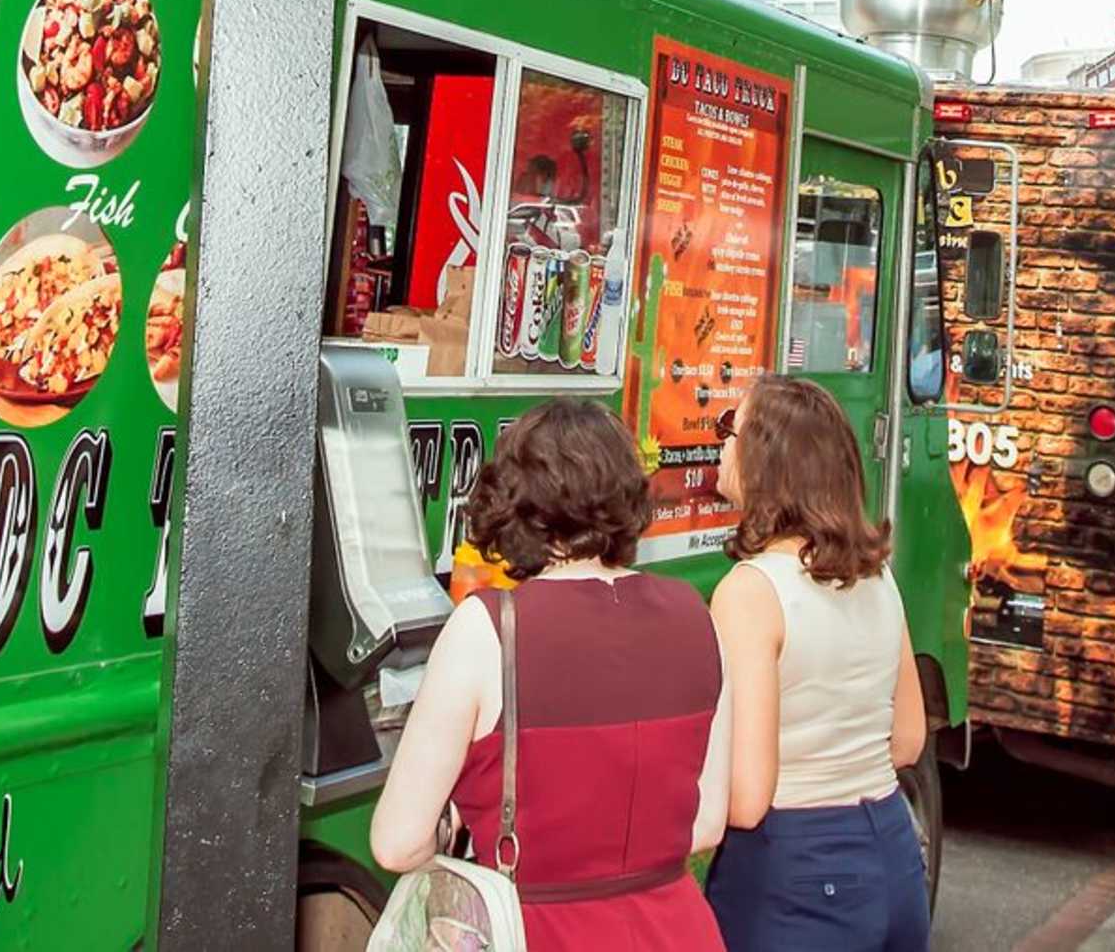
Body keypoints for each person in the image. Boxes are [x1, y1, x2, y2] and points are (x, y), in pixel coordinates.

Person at [371, 401, 733, 948]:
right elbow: (705, 825)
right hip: (677, 929)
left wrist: (450, 826)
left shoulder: (489, 628)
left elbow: (397, 843)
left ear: (518, 504)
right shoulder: (697, 615)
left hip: (536, 931)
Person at [706, 376, 927, 952]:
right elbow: (907, 741)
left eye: (733, 428)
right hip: (892, 849)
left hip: (793, 868)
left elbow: (748, 797)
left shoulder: (751, 591)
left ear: (768, 460)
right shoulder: (877, 577)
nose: (722, 441)